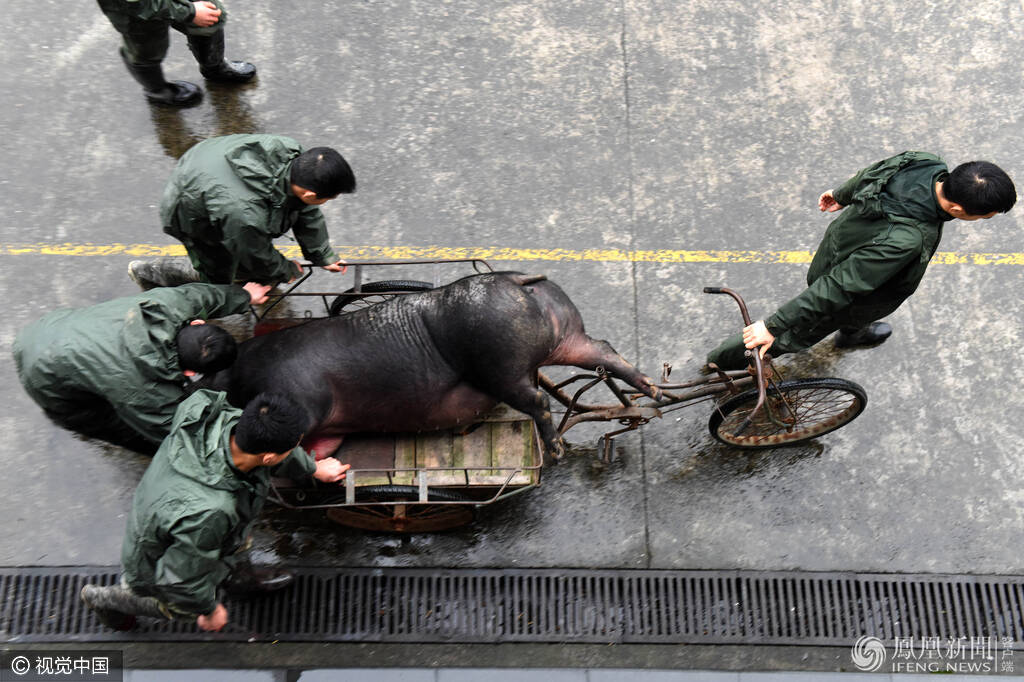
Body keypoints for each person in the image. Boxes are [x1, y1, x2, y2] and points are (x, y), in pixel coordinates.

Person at [706, 152, 1016, 370]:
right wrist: (773, 325)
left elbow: (874, 171)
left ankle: (853, 333)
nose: (985, 219)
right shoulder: (907, 241)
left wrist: (842, 194)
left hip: (841, 246)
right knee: (787, 335)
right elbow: (839, 286)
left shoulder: (925, 163)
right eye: (985, 216)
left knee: (863, 307)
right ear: (958, 210)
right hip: (847, 289)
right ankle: (720, 361)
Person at [80, 390, 350, 631]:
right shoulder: (211, 513)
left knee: (236, 541)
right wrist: (209, 610)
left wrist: (313, 467)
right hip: (158, 561)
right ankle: (105, 599)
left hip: (177, 517)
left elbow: (271, 451)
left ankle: (239, 582)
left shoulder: (217, 416)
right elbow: (179, 580)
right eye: (292, 447)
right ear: (268, 458)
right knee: (182, 607)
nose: (293, 450)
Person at [12, 282, 269, 452]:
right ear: (190, 373)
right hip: (43, 376)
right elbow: (177, 431)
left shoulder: (168, 304)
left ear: (197, 323)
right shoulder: (142, 391)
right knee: (121, 427)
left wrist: (244, 295)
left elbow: (200, 295)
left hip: (46, 328)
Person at [127, 134, 355, 289]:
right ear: (309, 194)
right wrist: (286, 270)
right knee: (218, 272)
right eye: (329, 197)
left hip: (209, 170)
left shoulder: (296, 157)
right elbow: (254, 253)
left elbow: (305, 209)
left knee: (244, 253)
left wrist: (322, 254)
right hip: (189, 208)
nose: (327, 201)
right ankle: (151, 273)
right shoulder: (246, 216)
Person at [96, 0, 256, 107]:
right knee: (146, 48)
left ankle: (215, 68)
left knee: (211, 16)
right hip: (134, 10)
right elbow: (139, 5)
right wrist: (190, 12)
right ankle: (158, 92)